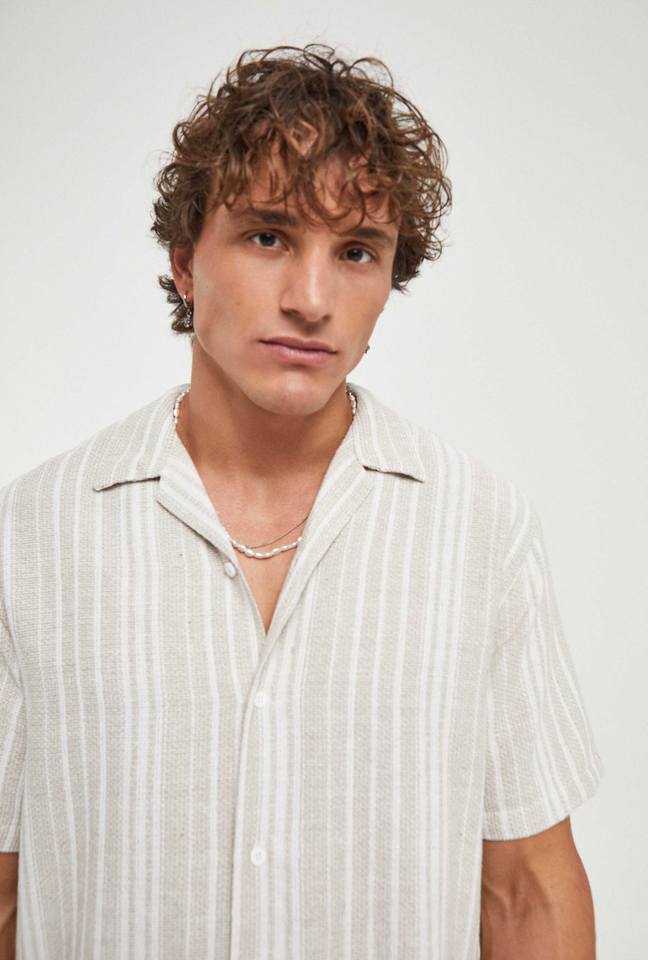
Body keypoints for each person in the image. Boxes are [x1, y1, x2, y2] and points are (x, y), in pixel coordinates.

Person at [0, 43, 604, 960]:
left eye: (357, 252)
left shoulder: (479, 532)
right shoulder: (33, 536)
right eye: (269, 236)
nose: (313, 299)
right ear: (184, 260)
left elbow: (525, 893)